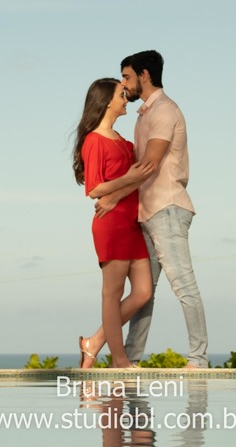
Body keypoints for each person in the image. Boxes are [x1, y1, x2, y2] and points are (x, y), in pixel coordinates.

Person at [89, 50, 209, 369]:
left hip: (167, 208)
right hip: (147, 212)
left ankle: (198, 358)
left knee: (183, 284)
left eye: (127, 77)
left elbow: (150, 165)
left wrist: (113, 197)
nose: (124, 84)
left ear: (144, 75)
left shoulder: (164, 111)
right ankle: (130, 358)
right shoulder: (144, 115)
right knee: (144, 293)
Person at [73, 77, 153, 369]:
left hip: (132, 222)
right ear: (107, 100)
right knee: (112, 293)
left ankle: (93, 342)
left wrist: (122, 188)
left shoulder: (125, 142)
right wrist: (129, 179)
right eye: (122, 94)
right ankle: (119, 359)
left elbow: (140, 177)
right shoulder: (94, 140)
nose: (126, 98)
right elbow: (94, 188)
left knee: (143, 292)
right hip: (111, 224)